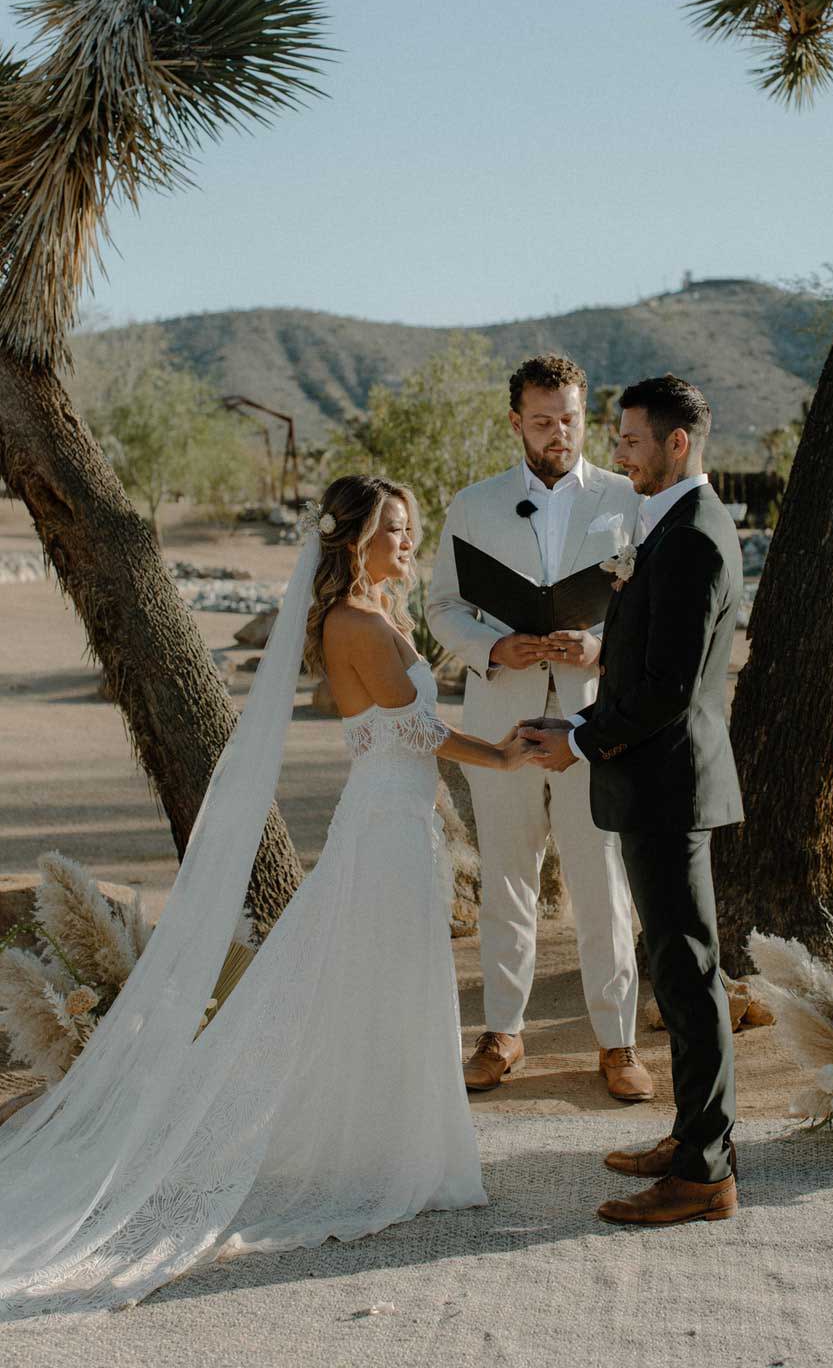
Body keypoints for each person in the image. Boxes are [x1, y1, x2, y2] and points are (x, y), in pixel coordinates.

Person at [0, 475, 538, 1319]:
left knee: (393, 982)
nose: (407, 541)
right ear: (354, 538)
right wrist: (505, 757)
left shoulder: (379, 615)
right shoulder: (354, 624)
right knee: (381, 977)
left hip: (400, 821)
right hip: (385, 829)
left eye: (410, 528)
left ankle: (395, 1144)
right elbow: (416, 731)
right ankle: (392, 1157)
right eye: (393, 529)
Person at [523, 376, 743, 1227]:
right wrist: (575, 721)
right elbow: (640, 670)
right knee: (681, 973)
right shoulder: (670, 528)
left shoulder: (691, 539)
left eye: (630, 439)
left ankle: (703, 1173)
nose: (615, 451)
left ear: (677, 443)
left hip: (668, 788)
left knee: (687, 978)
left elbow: (665, 690)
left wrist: (578, 738)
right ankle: (695, 1138)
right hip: (655, 780)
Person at [427, 355, 652, 1102]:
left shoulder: (629, 499)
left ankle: (616, 1042)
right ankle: (501, 1032)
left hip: (598, 716)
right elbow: (441, 608)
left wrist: (603, 646)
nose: (559, 433)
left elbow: (653, 610)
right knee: (507, 879)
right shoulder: (473, 505)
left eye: (570, 418)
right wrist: (492, 647)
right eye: (543, 420)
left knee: (601, 882)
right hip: (503, 718)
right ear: (515, 422)